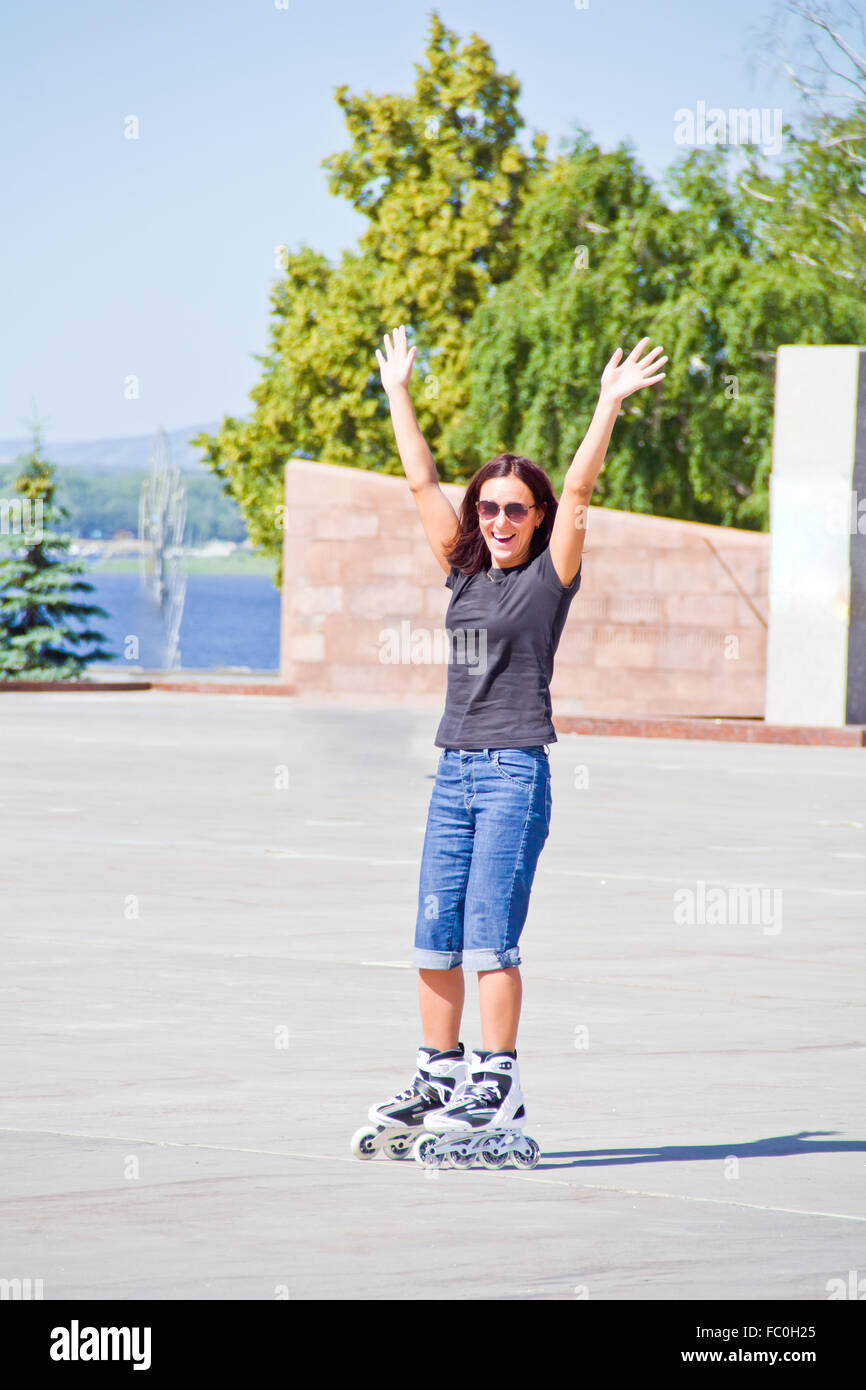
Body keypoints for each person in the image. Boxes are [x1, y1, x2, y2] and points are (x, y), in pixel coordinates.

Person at [355, 324, 666, 1167]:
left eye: (514, 509)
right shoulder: (460, 571)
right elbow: (419, 476)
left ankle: (499, 1077)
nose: (499, 519)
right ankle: (437, 1072)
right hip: (451, 769)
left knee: (491, 934)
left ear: (536, 520)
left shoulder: (547, 579)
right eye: (488, 507)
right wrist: (398, 391)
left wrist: (607, 404)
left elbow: (579, 486)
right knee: (433, 930)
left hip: (513, 772)